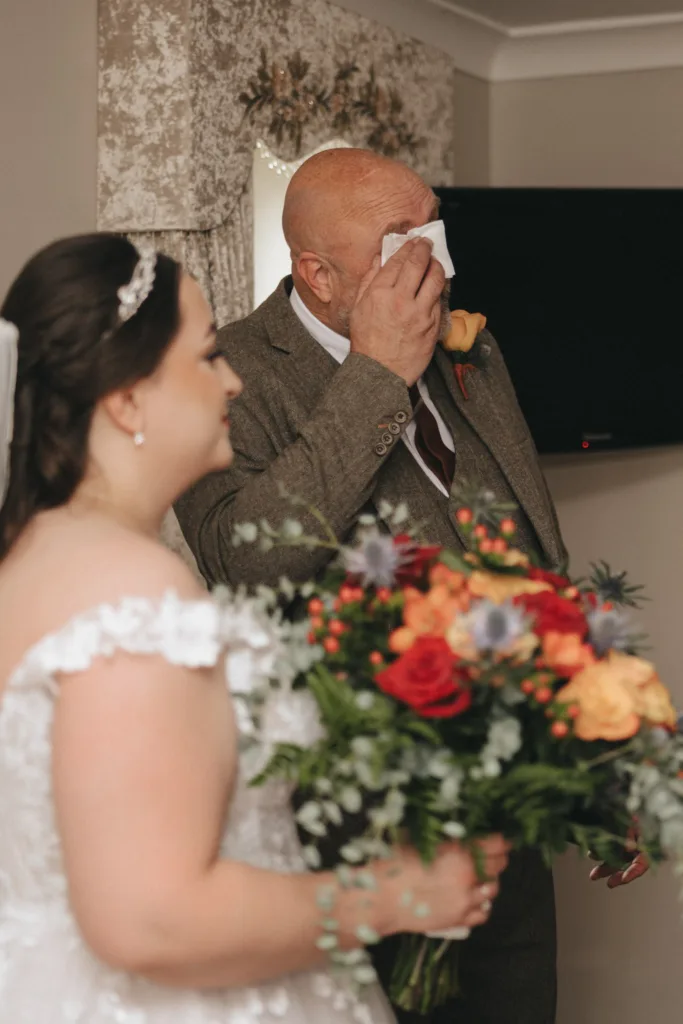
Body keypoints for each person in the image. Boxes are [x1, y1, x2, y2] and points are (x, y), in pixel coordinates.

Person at [174, 149, 643, 1024]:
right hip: (357, 822)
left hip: (509, 801)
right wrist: (377, 374)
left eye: (434, 227)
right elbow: (244, 560)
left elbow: (528, 550)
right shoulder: (226, 370)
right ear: (317, 275)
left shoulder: (473, 346)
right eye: (402, 239)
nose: (438, 261)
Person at [0, 233, 509, 1024]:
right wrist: (396, 895)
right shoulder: (131, 592)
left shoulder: (30, 562)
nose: (231, 380)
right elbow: (152, 917)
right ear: (127, 401)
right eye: (206, 356)